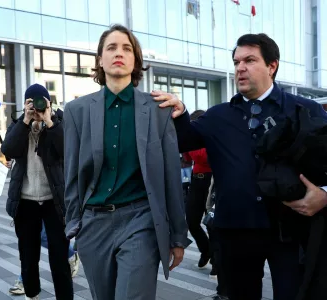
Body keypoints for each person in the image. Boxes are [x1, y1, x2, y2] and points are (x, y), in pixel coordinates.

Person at [152, 33, 327, 300]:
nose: (240, 68)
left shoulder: (305, 110)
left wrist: (325, 194)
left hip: (292, 232)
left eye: (249, 60)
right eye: (236, 62)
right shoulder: (218, 116)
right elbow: (182, 140)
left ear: (272, 66)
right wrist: (179, 111)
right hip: (235, 231)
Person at [64, 24, 190, 300]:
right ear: (100, 59)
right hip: (93, 225)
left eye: (127, 48)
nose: (119, 53)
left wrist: (178, 235)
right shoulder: (76, 111)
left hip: (140, 219)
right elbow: (71, 175)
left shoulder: (158, 110)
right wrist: (75, 224)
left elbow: (171, 176)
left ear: (136, 60)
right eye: (111, 48)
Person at [1, 83, 73, 300]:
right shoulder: (18, 125)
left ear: (49, 103)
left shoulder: (59, 123)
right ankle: (32, 295)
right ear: (25, 104)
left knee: (59, 258)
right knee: (28, 256)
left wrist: (49, 121)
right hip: (25, 201)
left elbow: (68, 150)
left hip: (55, 201)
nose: (37, 108)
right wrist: (25, 121)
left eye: (40, 102)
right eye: (31, 103)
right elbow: (9, 150)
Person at [186, 110, 212, 269]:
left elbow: (202, 157)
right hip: (196, 180)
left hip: (211, 181)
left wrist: (190, 141)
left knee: (211, 223)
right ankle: (206, 249)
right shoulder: (192, 138)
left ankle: (217, 260)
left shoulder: (210, 136)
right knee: (191, 221)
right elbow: (188, 159)